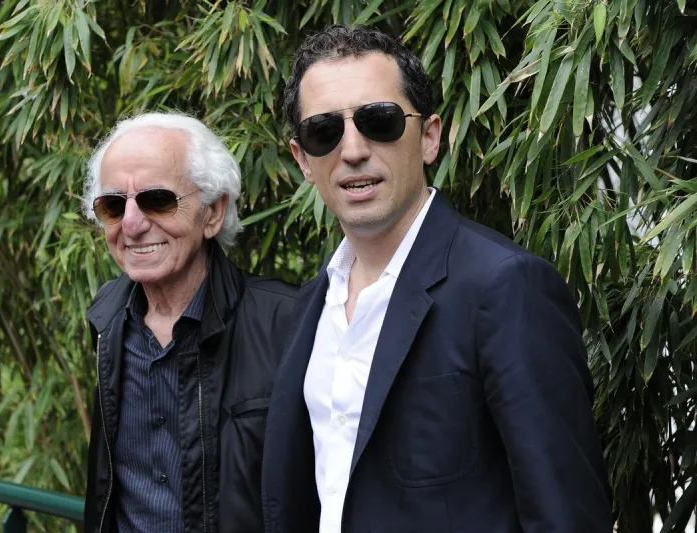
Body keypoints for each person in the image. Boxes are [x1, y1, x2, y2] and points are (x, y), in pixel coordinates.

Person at [261, 25, 612, 533]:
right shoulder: (310, 305)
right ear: (303, 161)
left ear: (428, 137)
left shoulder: (504, 287)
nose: (353, 149)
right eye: (325, 131)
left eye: (379, 121)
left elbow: (565, 515)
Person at [82, 112, 296, 533]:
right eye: (112, 205)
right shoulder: (107, 319)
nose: (132, 224)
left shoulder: (288, 323)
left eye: (157, 199)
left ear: (213, 212)